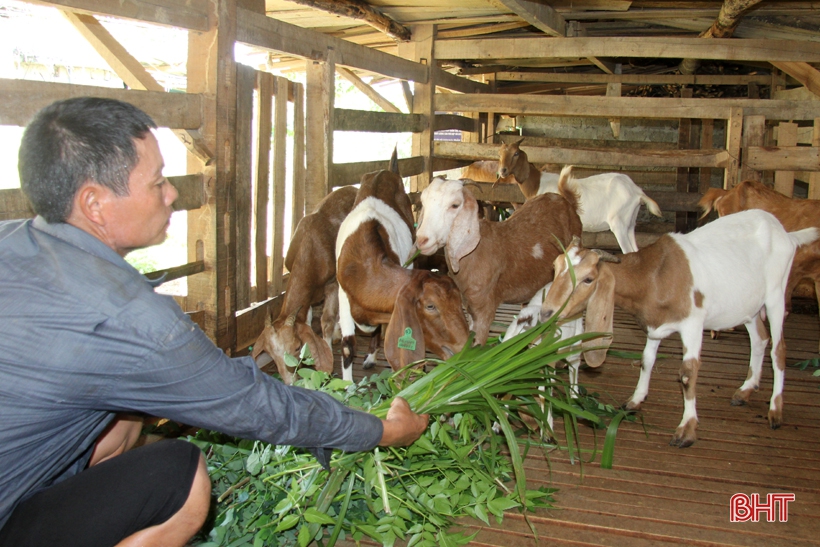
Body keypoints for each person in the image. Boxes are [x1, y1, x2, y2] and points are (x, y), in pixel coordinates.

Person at [0, 97, 429, 547]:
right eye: (157, 182)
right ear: (94, 203)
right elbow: (257, 406)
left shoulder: (15, 239)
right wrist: (383, 429)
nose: (171, 194)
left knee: (124, 418)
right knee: (182, 478)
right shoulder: (127, 316)